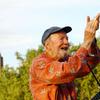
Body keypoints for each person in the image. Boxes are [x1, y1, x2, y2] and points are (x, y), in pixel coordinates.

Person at [29, 13, 100, 100]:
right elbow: (70, 69)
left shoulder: (66, 60)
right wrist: (86, 42)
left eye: (67, 38)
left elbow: (90, 63)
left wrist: (91, 40)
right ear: (47, 45)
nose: (66, 42)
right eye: (61, 39)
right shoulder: (39, 64)